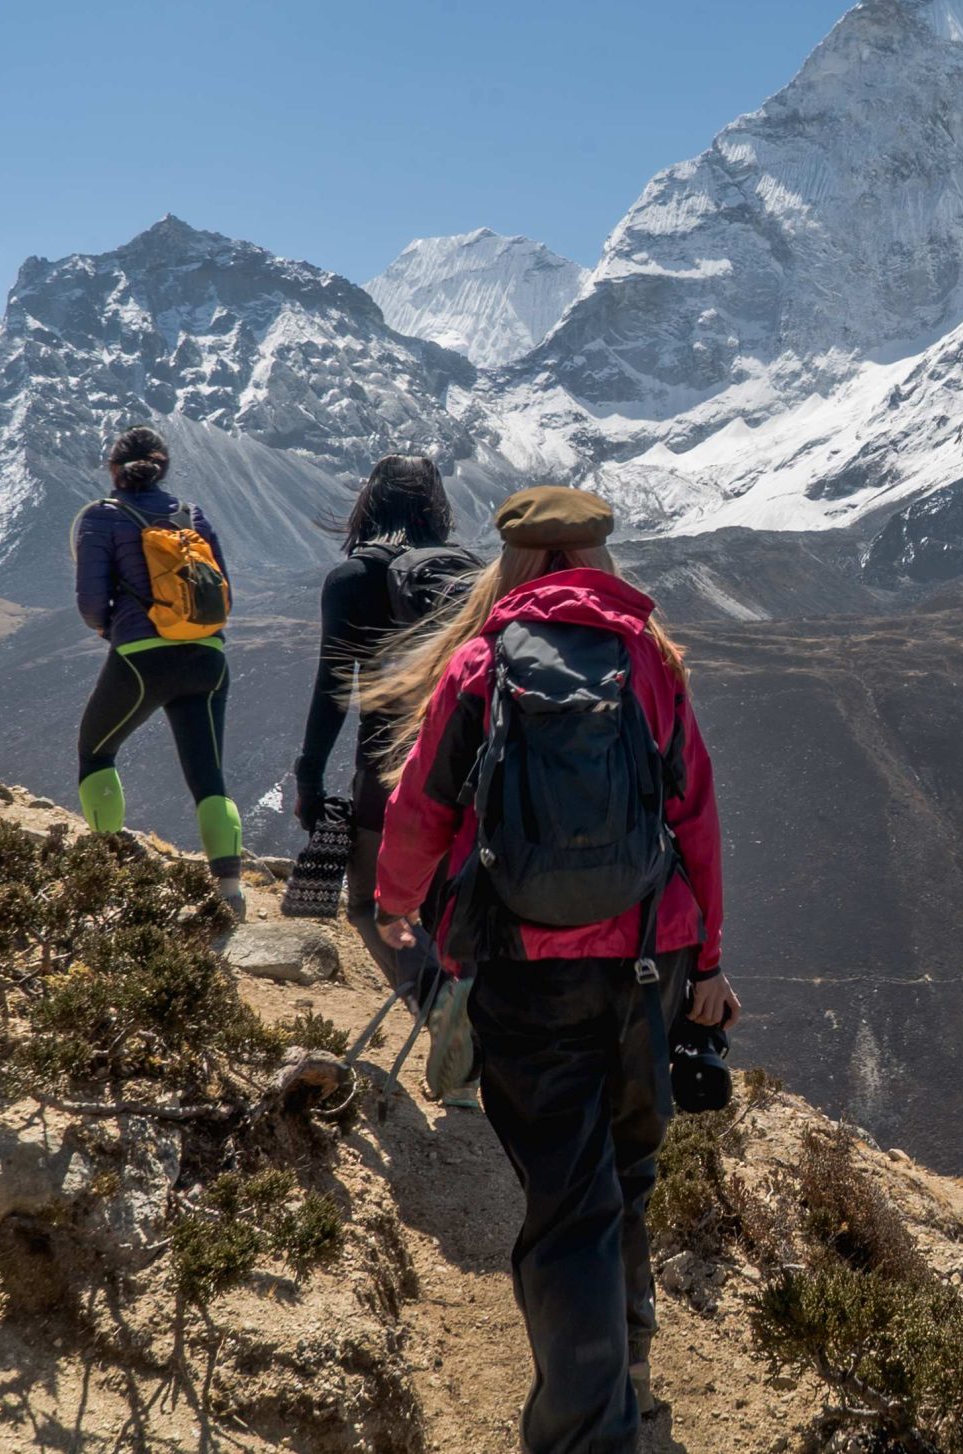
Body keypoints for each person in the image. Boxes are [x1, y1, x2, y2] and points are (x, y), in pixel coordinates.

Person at [363, 485, 736, 1454]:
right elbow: (694, 814)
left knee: (570, 1205)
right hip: (649, 964)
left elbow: (420, 807)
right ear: (599, 555)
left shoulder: (484, 662)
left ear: (518, 561)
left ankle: (588, 1435)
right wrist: (710, 962)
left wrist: (396, 906)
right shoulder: (650, 660)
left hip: (528, 972)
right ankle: (630, 1378)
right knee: (627, 1174)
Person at [291, 453, 476, 921]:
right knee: (449, 918)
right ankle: (447, 992)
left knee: (371, 909)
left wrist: (309, 781)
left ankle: (427, 996)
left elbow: (332, 689)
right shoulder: (470, 576)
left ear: (369, 501)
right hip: (466, 770)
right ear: (437, 507)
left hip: (384, 771)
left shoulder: (352, 579)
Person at [72, 425, 245, 913]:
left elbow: (90, 602)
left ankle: (105, 871)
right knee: (209, 776)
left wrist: (113, 629)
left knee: (97, 752)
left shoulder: (101, 518)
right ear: (163, 468)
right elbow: (224, 588)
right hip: (208, 657)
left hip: (143, 658)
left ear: (114, 469)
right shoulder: (193, 515)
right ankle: (230, 892)